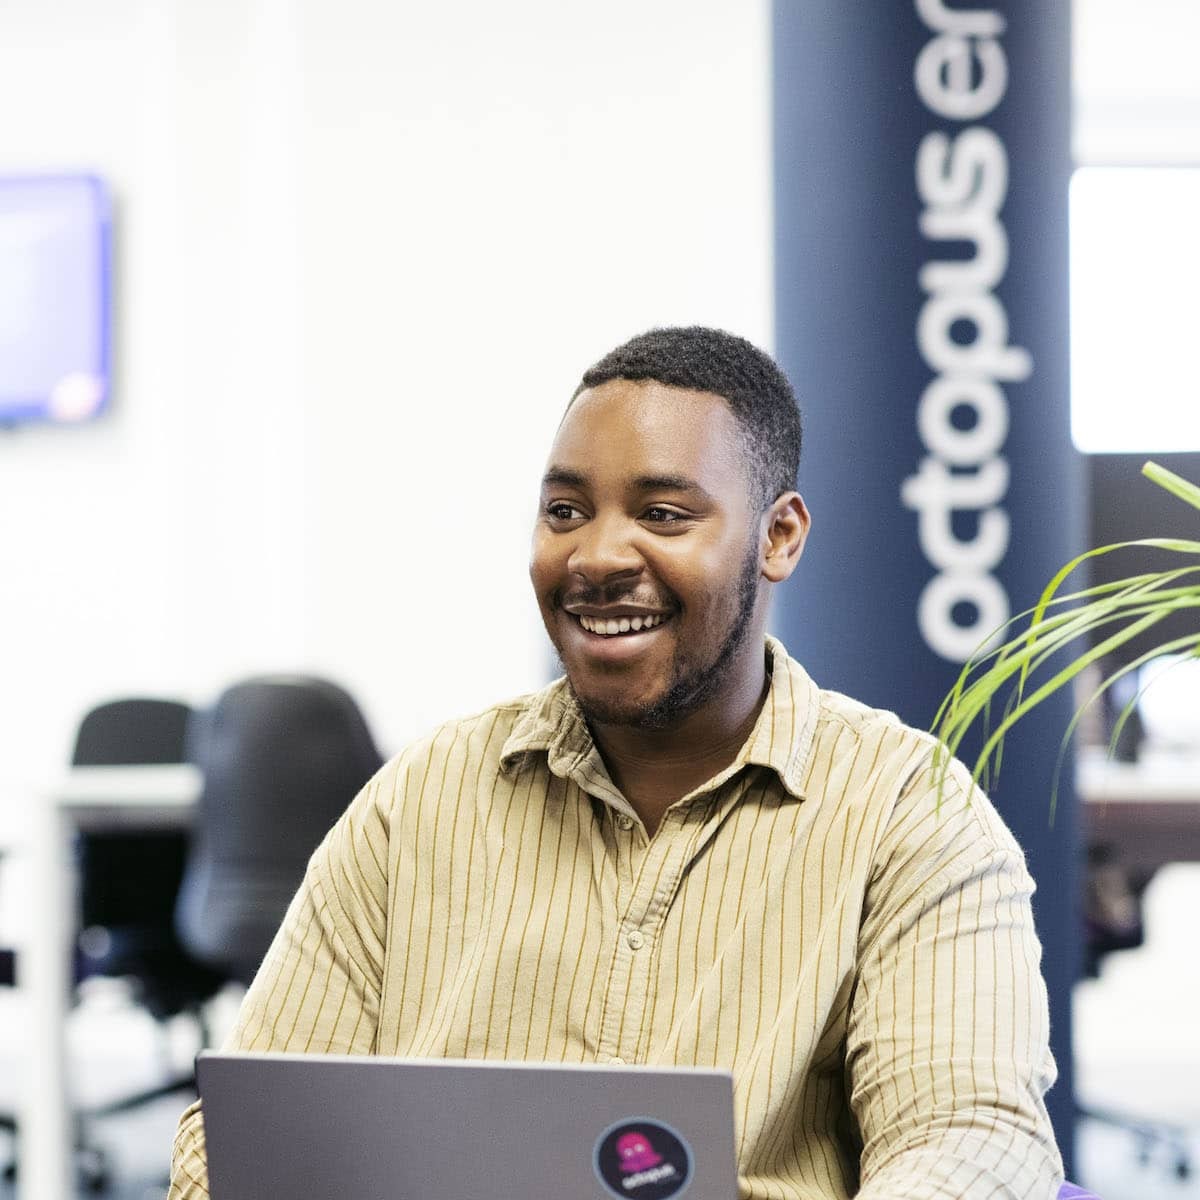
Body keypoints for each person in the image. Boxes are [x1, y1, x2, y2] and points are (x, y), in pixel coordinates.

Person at [169, 326, 1063, 1199]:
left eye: (663, 514)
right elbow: (242, 1134)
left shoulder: (910, 813)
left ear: (779, 537)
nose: (596, 556)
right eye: (565, 511)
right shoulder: (422, 797)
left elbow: (972, 1143)